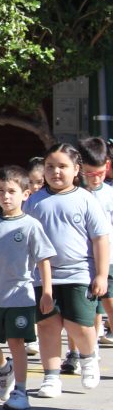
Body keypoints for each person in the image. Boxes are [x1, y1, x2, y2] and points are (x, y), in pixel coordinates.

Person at [24, 143, 110, 397]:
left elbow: (100, 239)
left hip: (79, 274)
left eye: (62, 166)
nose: (55, 172)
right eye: (50, 166)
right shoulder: (35, 202)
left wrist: (101, 274)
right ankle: (51, 377)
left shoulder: (86, 200)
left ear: (76, 170)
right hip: (43, 278)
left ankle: (89, 355)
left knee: (79, 326)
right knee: (48, 325)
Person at [0, 165, 55, 410]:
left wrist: (47, 292)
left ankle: (21, 390)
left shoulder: (30, 226)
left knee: (17, 342)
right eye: (1, 191)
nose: (6, 196)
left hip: (20, 296)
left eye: (12, 191)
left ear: (25, 195)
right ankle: (4, 369)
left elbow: (43, 260)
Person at [77, 137, 113, 349]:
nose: (94, 178)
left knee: (108, 302)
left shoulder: (109, 194)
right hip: (81, 258)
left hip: (107, 257)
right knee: (88, 307)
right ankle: (88, 351)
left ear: (106, 166)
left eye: (99, 173)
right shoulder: (77, 194)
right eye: (89, 174)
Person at [25, 156, 47, 356]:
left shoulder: (46, 200)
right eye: (30, 182)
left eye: (39, 182)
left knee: (44, 300)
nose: (34, 186)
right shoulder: (25, 201)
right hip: (29, 259)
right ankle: (31, 338)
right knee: (30, 297)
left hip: (46, 259)